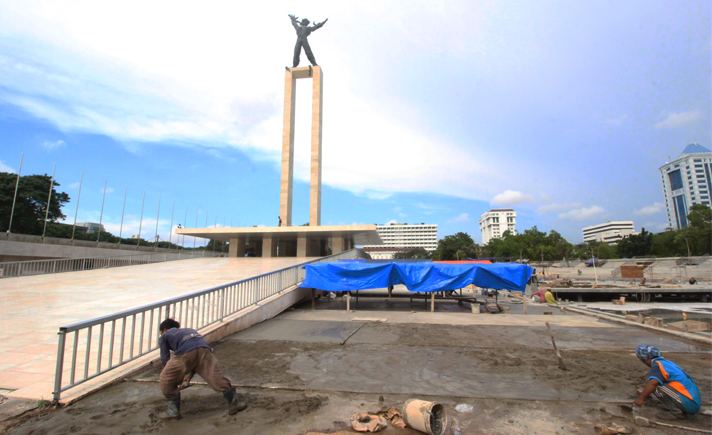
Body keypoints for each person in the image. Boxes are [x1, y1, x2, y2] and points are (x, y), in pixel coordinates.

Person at [157, 319, 246, 420]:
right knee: (214, 375)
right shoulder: (189, 330)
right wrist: (189, 376)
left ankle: (173, 411)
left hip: (185, 351)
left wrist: (172, 376)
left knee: (165, 379)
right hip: (203, 348)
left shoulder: (165, 335)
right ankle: (234, 403)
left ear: (164, 330)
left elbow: (165, 358)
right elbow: (195, 358)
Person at [633, 345, 701, 419]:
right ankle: (677, 407)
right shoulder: (666, 363)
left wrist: (641, 398)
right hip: (691, 401)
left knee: (655, 385)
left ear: (645, 359)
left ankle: (676, 411)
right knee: (652, 381)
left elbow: (653, 383)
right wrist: (645, 390)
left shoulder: (657, 365)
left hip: (690, 404)